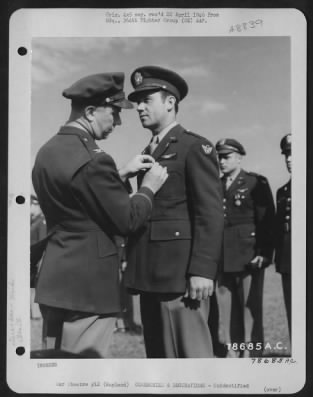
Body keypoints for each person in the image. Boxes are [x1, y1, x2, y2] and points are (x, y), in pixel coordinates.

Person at [32, 72, 168, 358]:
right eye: (115, 113)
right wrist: (148, 188)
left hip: (56, 279)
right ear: (91, 112)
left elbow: (77, 201)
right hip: (89, 289)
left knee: (51, 372)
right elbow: (128, 219)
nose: (118, 122)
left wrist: (120, 174)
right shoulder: (95, 159)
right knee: (82, 374)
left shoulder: (48, 151)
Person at [124, 66, 224, 358]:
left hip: (180, 279)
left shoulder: (194, 147)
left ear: (170, 102)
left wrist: (202, 270)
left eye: (147, 99)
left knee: (191, 358)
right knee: (160, 361)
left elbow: (210, 212)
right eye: (137, 101)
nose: (139, 107)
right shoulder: (148, 151)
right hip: (149, 275)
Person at [215, 138, 275, 357]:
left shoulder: (254, 182)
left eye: (226, 156)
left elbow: (266, 222)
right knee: (227, 310)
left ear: (240, 157)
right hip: (223, 258)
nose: (221, 161)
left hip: (249, 257)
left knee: (250, 311)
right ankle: (233, 354)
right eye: (219, 156)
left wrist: (264, 253)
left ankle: (252, 356)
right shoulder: (216, 185)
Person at [275, 134, 291, 337]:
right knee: (293, 312)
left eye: (294, 153)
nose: (289, 159)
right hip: (289, 263)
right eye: (286, 154)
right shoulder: (283, 192)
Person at [30, 194, 46, 319]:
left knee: (34, 285)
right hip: (32, 256)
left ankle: (36, 314)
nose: (31, 208)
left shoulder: (41, 222)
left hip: (37, 257)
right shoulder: (34, 221)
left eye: (33, 205)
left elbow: (42, 241)